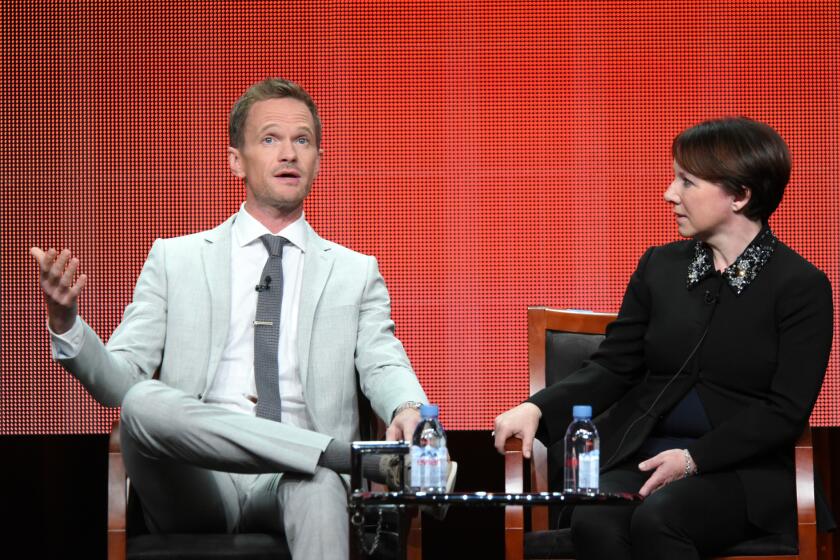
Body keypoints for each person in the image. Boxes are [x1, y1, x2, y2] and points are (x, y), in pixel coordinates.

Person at [30, 78, 432, 560]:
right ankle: (349, 458)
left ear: (318, 163)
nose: (289, 153)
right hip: (195, 478)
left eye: (302, 140)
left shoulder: (354, 272)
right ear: (235, 161)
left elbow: (384, 362)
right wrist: (66, 320)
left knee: (321, 483)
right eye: (270, 139)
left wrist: (409, 409)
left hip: (296, 480)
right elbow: (117, 382)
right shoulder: (174, 259)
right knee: (140, 403)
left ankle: (327, 459)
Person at [493, 117, 833, 559]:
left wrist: (692, 460)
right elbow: (614, 365)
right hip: (643, 454)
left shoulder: (800, 285)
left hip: (742, 470)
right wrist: (537, 406)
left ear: (740, 195)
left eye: (687, 182)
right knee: (594, 517)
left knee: (662, 517)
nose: (670, 194)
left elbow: (785, 411)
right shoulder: (660, 267)